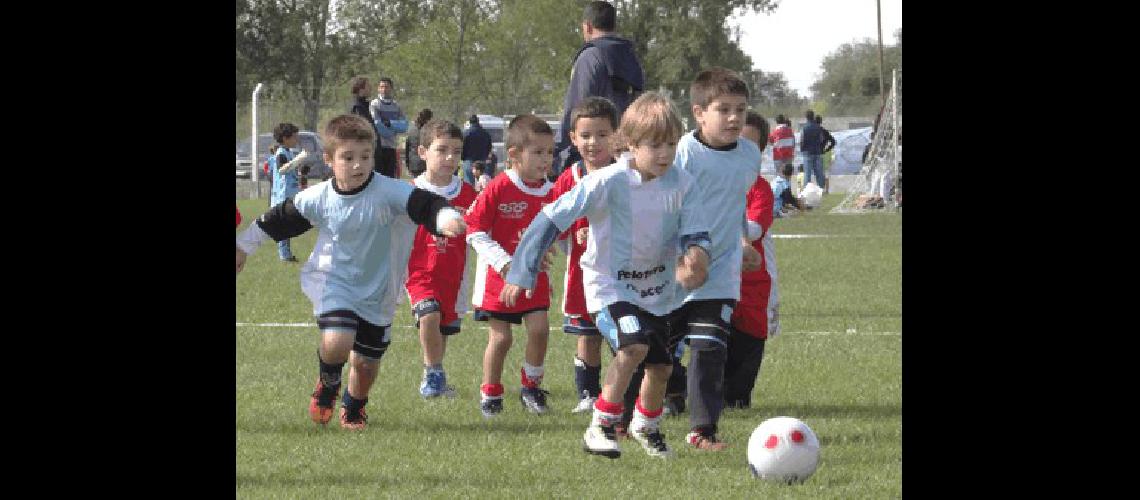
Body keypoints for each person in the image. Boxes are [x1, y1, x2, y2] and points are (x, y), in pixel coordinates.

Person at [504, 92, 710, 459]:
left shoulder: (683, 183)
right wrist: (523, 269)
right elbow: (552, 216)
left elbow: (696, 230)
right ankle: (600, 425)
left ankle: (646, 426)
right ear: (629, 144)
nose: (664, 154)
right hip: (609, 289)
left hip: (658, 293)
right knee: (633, 347)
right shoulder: (607, 182)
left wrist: (695, 257)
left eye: (671, 144)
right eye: (654, 145)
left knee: (661, 367)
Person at [235, 114, 467, 430]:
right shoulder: (319, 197)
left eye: (365, 157)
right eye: (348, 158)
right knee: (336, 340)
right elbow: (277, 219)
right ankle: (329, 385)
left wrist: (445, 219)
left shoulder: (388, 191)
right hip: (336, 283)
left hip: (380, 292)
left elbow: (425, 205)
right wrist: (243, 247)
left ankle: (355, 405)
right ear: (329, 160)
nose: (358, 165)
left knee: (366, 363)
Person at [670, 67, 766, 451]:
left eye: (740, 110)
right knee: (653, 352)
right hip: (677, 272)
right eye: (723, 109)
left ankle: (703, 431)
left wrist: (743, 241)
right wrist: (679, 259)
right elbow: (667, 208)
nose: (733, 118)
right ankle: (631, 413)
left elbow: (735, 202)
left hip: (722, 271)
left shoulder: (749, 154)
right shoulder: (684, 153)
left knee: (710, 349)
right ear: (699, 113)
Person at [463, 115, 558, 417]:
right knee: (501, 338)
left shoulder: (552, 191)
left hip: (534, 278)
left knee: (541, 330)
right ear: (514, 155)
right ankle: (490, 391)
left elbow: (559, 229)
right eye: (538, 152)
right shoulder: (498, 187)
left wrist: (552, 246)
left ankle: (531, 387)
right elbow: (474, 231)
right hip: (498, 279)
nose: (546, 160)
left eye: (550, 152)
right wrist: (505, 264)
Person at [548, 96, 619, 414]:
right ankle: (588, 394)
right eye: (586, 135)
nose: (594, 142)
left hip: (622, 275)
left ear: (616, 136)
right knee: (587, 335)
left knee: (623, 336)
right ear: (573, 138)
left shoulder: (625, 174)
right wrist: (558, 238)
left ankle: (622, 392)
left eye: (602, 134)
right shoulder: (568, 179)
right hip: (582, 275)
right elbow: (552, 218)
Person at [404, 119, 479, 399]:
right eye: (442, 150)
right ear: (423, 152)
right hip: (418, 273)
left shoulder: (469, 195)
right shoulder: (409, 192)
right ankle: (434, 373)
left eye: (457, 152)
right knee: (430, 314)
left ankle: (433, 375)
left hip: (454, 275)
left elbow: (481, 231)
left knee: (443, 326)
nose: (450, 158)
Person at [554, 0, 645, 179]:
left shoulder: (590, 57)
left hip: (592, 156)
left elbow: (577, 108)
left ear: (587, 26)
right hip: (625, 154)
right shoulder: (631, 58)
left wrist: (558, 152)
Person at [725, 111, 780, 409]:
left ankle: (737, 398)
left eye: (750, 145)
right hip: (714, 278)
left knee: (749, 338)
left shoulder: (760, 189)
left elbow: (755, 228)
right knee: (711, 340)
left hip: (751, 283)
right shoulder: (706, 180)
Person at [268, 122, 311, 262]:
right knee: (283, 226)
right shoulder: (281, 153)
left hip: (291, 194)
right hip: (282, 196)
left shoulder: (289, 152)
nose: (297, 140)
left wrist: (302, 171)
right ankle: (285, 255)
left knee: (287, 225)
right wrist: (299, 159)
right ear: (285, 138)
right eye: (294, 137)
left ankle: (286, 254)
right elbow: (282, 170)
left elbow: (291, 172)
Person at [370, 77, 408, 178]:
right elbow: (377, 124)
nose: (384, 89)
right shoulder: (375, 104)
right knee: (377, 177)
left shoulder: (396, 106)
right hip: (379, 147)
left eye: (386, 87)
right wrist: (393, 130)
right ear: (378, 88)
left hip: (392, 147)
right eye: (381, 87)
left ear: (391, 88)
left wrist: (390, 123)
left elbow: (404, 126)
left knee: (390, 177)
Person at [462, 115, 493, 185]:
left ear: (470, 122)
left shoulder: (466, 133)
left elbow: (462, 147)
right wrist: (485, 156)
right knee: (483, 183)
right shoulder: (486, 133)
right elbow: (489, 147)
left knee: (469, 184)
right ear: (478, 122)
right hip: (482, 161)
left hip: (469, 160)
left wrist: (463, 158)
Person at [405, 108, 433, 178]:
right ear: (428, 119)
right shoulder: (427, 131)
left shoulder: (411, 129)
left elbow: (407, 148)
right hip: (424, 164)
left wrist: (408, 164)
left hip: (413, 164)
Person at [800, 110, 825, 188]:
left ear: (806, 117)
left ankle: (807, 190)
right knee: (819, 172)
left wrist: (802, 148)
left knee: (807, 173)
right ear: (813, 116)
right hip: (817, 151)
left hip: (807, 152)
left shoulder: (804, 128)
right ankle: (821, 188)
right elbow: (822, 139)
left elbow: (802, 139)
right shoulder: (818, 127)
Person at [815, 114, 837, 192]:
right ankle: (823, 189)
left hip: (814, 154)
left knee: (818, 173)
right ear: (821, 122)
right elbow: (833, 142)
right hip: (821, 153)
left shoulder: (812, 131)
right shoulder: (824, 131)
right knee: (823, 174)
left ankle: (819, 189)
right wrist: (826, 149)